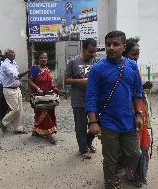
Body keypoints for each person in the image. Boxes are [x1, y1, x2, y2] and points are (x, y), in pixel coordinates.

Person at [86, 31, 143, 189]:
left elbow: (138, 91)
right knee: (109, 157)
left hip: (128, 120)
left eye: (116, 44)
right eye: (108, 44)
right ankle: (110, 183)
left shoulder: (131, 66)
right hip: (108, 121)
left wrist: (138, 114)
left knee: (134, 153)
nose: (111, 48)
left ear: (123, 47)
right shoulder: (97, 69)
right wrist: (92, 122)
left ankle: (117, 171)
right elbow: (91, 97)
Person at [123, 39, 153, 187]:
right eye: (133, 54)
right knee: (132, 146)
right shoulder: (121, 69)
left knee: (142, 144)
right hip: (129, 112)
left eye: (138, 54)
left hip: (140, 111)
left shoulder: (134, 68)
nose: (136, 57)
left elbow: (137, 89)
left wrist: (144, 86)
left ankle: (139, 175)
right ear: (125, 53)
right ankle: (129, 173)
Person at [65, 38, 98, 159]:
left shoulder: (94, 62)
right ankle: (83, 149)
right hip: (78, 100)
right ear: (83, 49)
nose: (93, 54)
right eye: (90, 51)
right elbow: (66, 80)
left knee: (96, 123)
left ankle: (88, 142)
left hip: (93, 100)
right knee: (81, 126)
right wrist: (80, 81)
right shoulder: (73, 62)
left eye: (94, 52)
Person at [28, 52, 58, 144]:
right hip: (39, 97)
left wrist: (54, 88)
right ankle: (49, 134)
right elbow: (29, 80)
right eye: (42, 58)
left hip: (48, 96)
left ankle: (37, 131)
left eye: (45, 58)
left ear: (47, 59)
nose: (43, 59)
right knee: (43, 114)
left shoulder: (47, 70)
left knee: (48, 113)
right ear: (39, 59)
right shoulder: (35, 69)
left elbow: (50, 82)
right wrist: (37, 88)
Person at [0, 48, 30, 134]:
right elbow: (16, 76)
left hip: (16, 88)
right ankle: (4, 122)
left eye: (14, 52)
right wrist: (28, 71)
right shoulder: (5, 64)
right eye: (12, 52)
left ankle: (18, 128)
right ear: (7, 55)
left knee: (20, 110)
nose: (14, 53)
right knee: (15, 109)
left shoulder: (13, 62)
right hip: (9, 90)